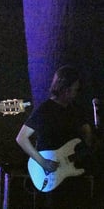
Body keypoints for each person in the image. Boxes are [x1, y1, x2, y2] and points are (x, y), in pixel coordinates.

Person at [16, 65, 94, 208]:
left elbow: (86, 133)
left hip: (70, 174)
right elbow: (21, 138)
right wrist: (42, 162)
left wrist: (88, 139)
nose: (76, 93)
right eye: (74, 89)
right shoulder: (45, 109)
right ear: (65, 88)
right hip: (50, 174)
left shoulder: (75, 110)